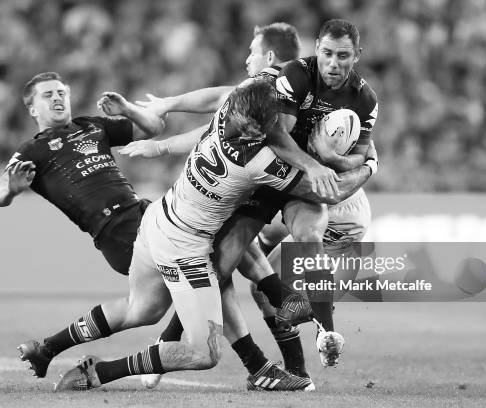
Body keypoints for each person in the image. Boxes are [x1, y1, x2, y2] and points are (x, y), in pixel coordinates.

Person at [0, 72, 309, 391]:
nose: (58, 98)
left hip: (141, 210)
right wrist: (12, 189)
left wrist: (128, 109)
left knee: (142, 309)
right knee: (217, 259)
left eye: (61, 92)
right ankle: (258, 354)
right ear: (32, 108)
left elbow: (153, 126)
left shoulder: (91, 126)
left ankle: (47, 349)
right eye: (48, 95)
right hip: (115, 229)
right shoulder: (33, 150)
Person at [55, 78, 371, 392]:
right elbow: (326, 193)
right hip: (186, 246)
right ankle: (103, 371)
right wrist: (367, 164)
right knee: (203, 350)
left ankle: (49, 346)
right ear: (255, 129)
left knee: (145, 308)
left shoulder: (227, 111)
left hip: (161, 219)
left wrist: (163, 131)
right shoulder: (257, 161)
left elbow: (219, 98)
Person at [128, 19, 378, 380]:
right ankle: (166, 344)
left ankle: (325, 332)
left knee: (306, 236)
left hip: (304, 184)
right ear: (316, 51)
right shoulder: (288, 78)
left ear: (357, 56)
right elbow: (265, 131)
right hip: (272, 176)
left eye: (343, 56)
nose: (334, 64)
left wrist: (344, 162)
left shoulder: (364, 99)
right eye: (327, 54)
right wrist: (163, 125)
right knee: (224, 264)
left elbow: (363, 152)